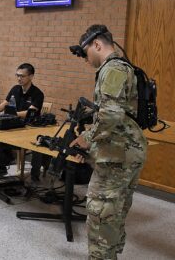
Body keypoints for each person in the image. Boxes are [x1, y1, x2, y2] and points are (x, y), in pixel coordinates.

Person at [69, 25, 147, 259]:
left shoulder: (112, 69)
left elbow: (111, 115)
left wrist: (87, 139)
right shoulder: (121, 67)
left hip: (118, 155)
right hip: (126, 151)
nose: (85, 60)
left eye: (85, 53)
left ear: (97, 45)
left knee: (101, 213)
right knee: (115, 211)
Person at [0, 63, 51, 181]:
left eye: (22, 76)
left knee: (38, 142)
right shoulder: (15, 89)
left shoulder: (38, 94)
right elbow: (3, 105)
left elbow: (29, 113)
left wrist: (11, 113)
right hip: (14, 126)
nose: (19, 78)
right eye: (17, 75)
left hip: (29, 128)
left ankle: (35, 174)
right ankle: (3, 165)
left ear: (31, 76)